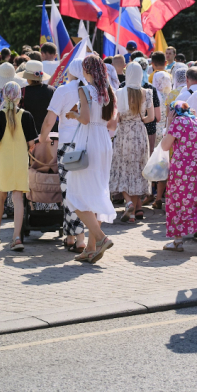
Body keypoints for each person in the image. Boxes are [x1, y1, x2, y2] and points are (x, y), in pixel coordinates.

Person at [66, 55, 118, 263]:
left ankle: (101, 238)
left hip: (88, 141)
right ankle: (91, 248)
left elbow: (85, 119)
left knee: (74, 194)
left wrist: (73, 116)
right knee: (96, 192)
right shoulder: (109, 91)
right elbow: (110, 121)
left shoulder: (84, 89)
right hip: (103, 141)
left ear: (87, 71)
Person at [38, 51, 88, 252]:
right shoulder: (92, 90)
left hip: (67, 145)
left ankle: (80, 238)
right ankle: (70, 236)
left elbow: (50, 120)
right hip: (88, 144)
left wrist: (43, 138)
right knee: (80, 190)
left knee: (70, 192)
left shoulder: (63, 91)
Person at [0, 82, 37, 251]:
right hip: (20, 161)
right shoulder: (26, 116)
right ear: (20, 97)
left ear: (4, 96)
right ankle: (17, 238)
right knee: (18, 198)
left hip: (3, 161)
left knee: (0, 196)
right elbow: (32, 143)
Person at [160, 101, 197, 251]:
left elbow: (165, 146)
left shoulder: (178, 122)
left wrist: (170, 122)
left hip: (181, 170)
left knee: (176, 203)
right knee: (196, 201)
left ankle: (177, 241)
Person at [111, 62, 153, 223]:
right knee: (137, 171)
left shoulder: (119, 92)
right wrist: (140, 119)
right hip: (139, 132)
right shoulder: (146, 93)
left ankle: (128, 202)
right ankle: (134, 212)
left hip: (123, 133)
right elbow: (151, 117)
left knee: (122, 168)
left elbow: (117, 117)